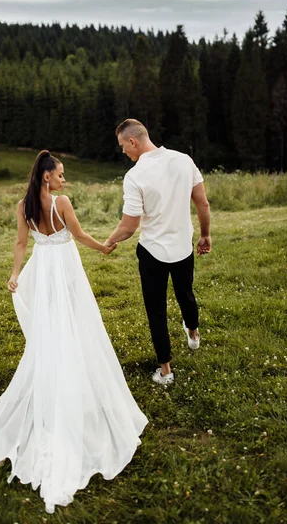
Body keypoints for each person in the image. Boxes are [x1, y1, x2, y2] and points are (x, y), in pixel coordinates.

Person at [0, 150, 148, 514]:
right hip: (64, 270)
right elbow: (79, 235)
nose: (63, 179)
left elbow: (21, 244)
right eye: (59, 174)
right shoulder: (61, 203)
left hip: (42, 270)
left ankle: (57, 374)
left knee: (51, 328)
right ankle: (74, 382)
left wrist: (14, 275)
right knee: (76, 324)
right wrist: (103, 247)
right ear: (46, 177)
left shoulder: (24, 205)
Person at [105, 119, 211, 386]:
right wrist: (205, 235)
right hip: (183, 248)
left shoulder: (135, 176)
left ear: (133, 141)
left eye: (122, 146)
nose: (123, 152)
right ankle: (194, 335)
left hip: (153, 252)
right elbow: (202, 203)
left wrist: (110, 241)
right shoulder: (183, 160)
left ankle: (166, 371)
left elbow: (129, 226)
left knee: (156, 310)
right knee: (185, 292)